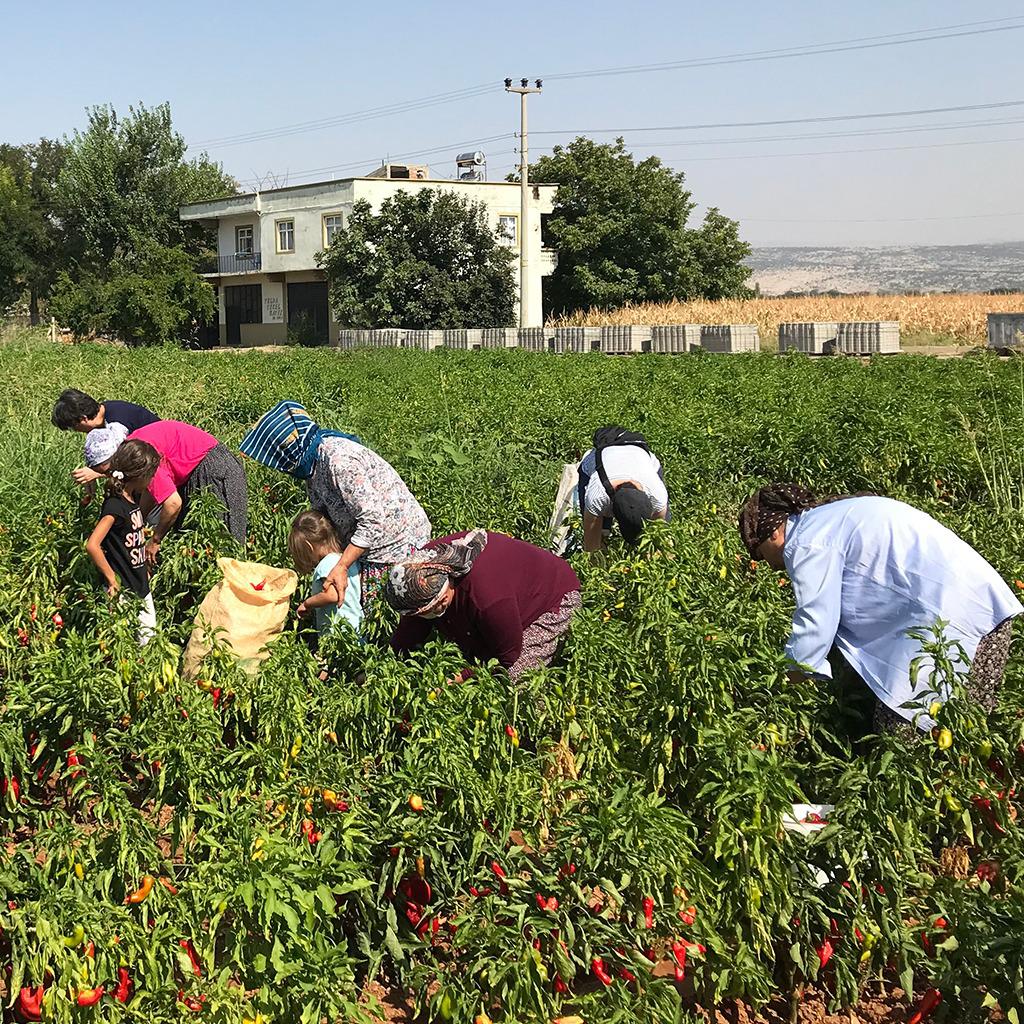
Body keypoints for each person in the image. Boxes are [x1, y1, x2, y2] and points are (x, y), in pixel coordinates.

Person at [738, 484, 1023, 735]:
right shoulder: (829, 519)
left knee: (903, 733)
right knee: (966, 732)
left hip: (954, 616)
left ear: (773, 533)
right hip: (984, 606)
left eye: (759, 553)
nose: (766, 564)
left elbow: (817, 621)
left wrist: (786, 682)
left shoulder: (808, 542)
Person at [240, 400, 430, 610]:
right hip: (366, 548)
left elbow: (373, 521)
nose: (282, 467)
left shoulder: (339, 462)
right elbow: (325, 516)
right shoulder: (313, 466)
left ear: (289, 450)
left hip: (394, 545)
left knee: (388, 608)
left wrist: (342, 565)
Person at [387, 530, 582, 683]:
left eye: (434, 607)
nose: (428, 614)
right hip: (506, 597)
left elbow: (507, 656)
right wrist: (387, 664)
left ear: (444, 592)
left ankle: (531, 719)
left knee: (515, 678)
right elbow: (409, 631)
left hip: (552, 598)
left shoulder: (487, 597)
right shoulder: (418, 571)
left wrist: (460, 678)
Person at [82, 419, 248, 562]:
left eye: (109, 470)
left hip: (211, 469)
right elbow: (151, 491)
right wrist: (138, 523)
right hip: (195, 471)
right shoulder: (133, 450)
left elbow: (173, 503)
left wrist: (155, 540)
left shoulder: (142, 456)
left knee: (223, 544)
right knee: (189, 540)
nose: (112, 475)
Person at [84, 440, 160, 644]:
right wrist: (111, 579)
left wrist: (143, 567)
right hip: (123, 588)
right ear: (139, 475)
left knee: (148, 641)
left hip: (140, 583)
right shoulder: (115, 506)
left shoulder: (132, 497)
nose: (152, 479)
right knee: (123, 643)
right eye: (151, 474)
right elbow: (92, 545)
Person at [577, 426, 669, 552]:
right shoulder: (597, 495)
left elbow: (658, 535)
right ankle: (606, 533)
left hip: (641, 456)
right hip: (596, 463)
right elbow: (591, 547)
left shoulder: (657, 496)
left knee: (661, 536)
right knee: (601, 531)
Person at [53, 388, 160, 491]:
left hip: (159, 461)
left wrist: (97, 473)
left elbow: (127, 465)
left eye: (73, 427)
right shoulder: (106, 411)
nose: (77, 431)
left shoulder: (118, 426)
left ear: (83, 419)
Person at [288, 510, 363, 637]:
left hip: (338, 632)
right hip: (357, 628)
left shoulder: (327, 564)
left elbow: (332, 595)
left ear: (309, 547)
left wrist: (307, 604)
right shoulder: (347, 560)